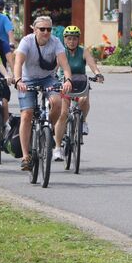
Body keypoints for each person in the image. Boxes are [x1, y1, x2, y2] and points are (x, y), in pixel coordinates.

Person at [13, 16, 73, 171]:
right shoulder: (26, 41)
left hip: (48, 79)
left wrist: (68, 80)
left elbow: (65, 64)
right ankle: (26, 156)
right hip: (28, 80)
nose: (46, 32)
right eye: (42, 29)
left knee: (57, 102)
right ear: (34, 30)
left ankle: (48, 129)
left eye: (49, 29)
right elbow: (18, 62)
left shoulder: (56, 42)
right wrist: (18, 80)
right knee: (27, 114)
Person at [53, 25, 104, 161]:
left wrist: (97, 74)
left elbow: (92, 64)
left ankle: (83, 121)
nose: (72, 41)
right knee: (63, 114)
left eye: (74, 39)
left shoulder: (83, 51)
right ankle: (57, 148)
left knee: (83, 100)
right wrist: (52, 77)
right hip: (65, 84)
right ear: (64, 39)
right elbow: (55, 67)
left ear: (78, 40)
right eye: (69, 38)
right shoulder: (61, 52)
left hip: (80, 83)